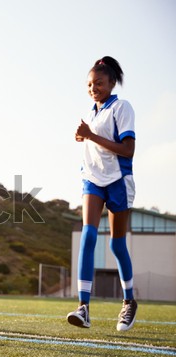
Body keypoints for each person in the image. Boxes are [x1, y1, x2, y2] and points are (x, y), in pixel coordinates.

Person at [67, 56, 138, 331]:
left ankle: (129, 301)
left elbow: (127, 150)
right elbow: (94, 142)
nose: (93, 87)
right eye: (89, 84)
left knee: (116, 245)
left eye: (98, 82)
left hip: (119, 180)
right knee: (88, 235)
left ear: (111, 82)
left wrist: (91, 135)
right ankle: (83, 307)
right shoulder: (93, 113)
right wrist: (84, 136)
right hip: (93, 180)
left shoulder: (122, 107)